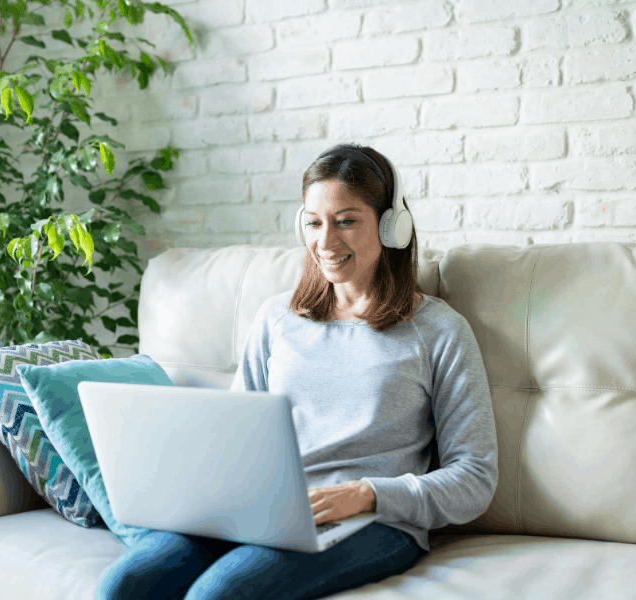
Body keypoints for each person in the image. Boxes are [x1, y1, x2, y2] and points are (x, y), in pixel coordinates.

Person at [94, 144, 499, 600]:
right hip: (262, 510)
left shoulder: (439, 331)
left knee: (218, 594)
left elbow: (475, 477)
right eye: (314, 223)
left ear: (391, 225)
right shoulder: (276, 319)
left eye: (346, 220)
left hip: (374, 522)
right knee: (123, 584)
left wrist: (367, 494)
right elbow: (233, 439)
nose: (325, 242)